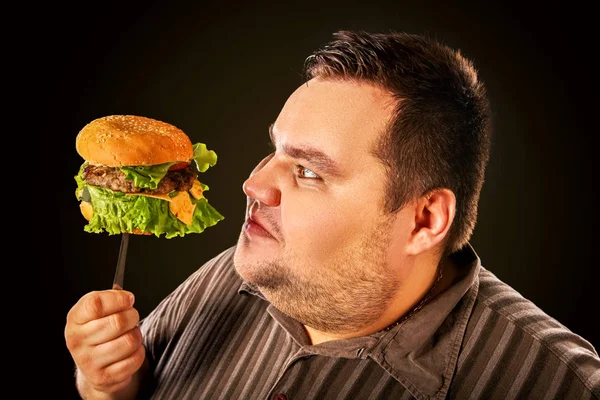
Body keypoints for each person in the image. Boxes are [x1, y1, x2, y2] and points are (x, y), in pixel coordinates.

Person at [64, 30, 600, 399]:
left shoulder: (557, 383)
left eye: (309, 172)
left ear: (425, 220)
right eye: (275, 150)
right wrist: (108, 386)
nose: (252, 185)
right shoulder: (231, 273)